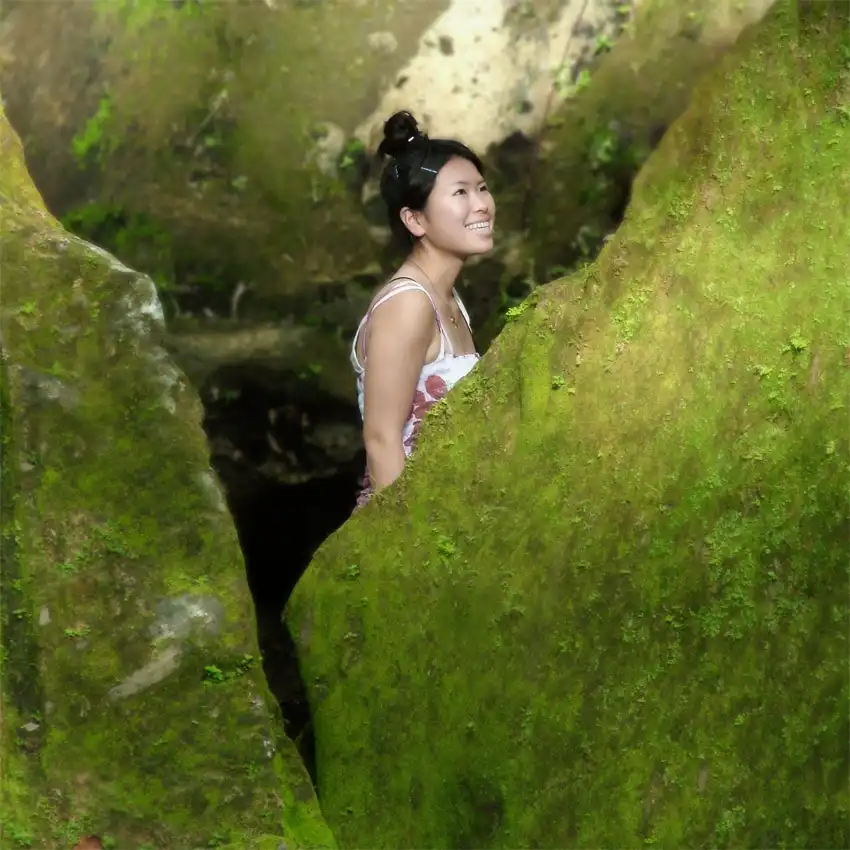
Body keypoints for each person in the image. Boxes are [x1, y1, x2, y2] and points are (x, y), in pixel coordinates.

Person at [350, 110, 496, 508]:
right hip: (410, 521)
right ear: (415, 220)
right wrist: (406, 539)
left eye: (482, 188)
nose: (482, 205)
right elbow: (381, 439)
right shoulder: (408, 303)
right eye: (460, 193)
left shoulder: (448, 299)